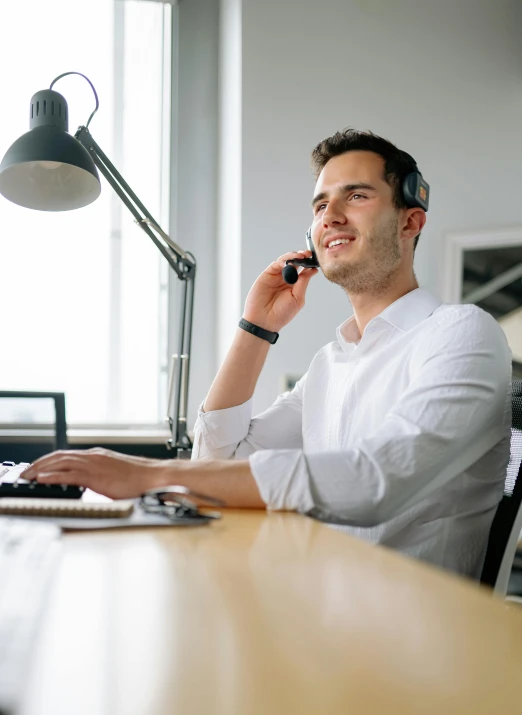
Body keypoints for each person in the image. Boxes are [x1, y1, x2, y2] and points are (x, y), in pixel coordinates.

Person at [22, 129, 511, 577]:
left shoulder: (461, 333)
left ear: (411, 220)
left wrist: (148, 474)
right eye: (320, 205)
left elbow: (377, 482)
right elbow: (216, 458)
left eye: (356, 196)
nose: (331, 216)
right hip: (319, 604)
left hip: (410, 639)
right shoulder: (333, 363)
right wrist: (256, 328)